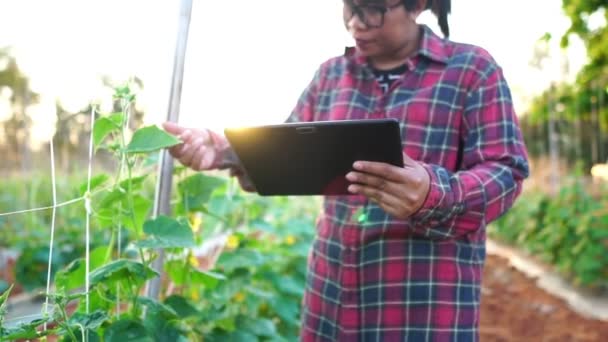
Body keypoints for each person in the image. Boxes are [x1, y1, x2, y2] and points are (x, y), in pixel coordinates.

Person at [162, 0, 530, 340]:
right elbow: (285, 155)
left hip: (421, 307)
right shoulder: (331, 76)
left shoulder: (471, 70)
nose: (355, 23)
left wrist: (433, 193)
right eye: (349, 7)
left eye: (371, 9)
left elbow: (505, 171)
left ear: (418, 5)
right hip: (331, 302)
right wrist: (224, 151)